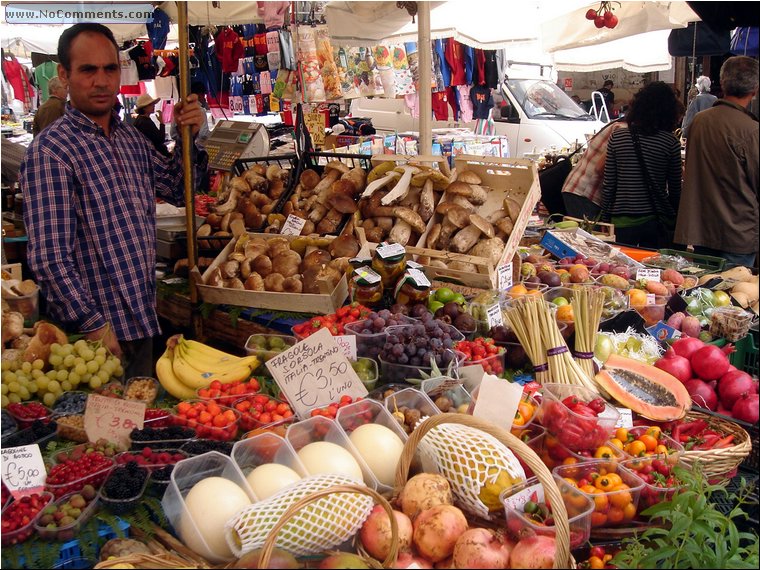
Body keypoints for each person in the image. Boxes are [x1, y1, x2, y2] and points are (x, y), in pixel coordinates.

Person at [19, 23, 207, 379]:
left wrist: (189, 138)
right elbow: (49, 259)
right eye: (88, 70)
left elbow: (177, 186)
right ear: (65, 74)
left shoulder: (130, 139)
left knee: (139, 424)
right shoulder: (52, 152)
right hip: (91, 337)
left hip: (140, 319)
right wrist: (93, 324)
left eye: (109, 68)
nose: (102, 81)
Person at [674, 56, 759, 267]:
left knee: (705, 293)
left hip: (701, 228)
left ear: (722, 84)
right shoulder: (751, 130)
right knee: (732, 296)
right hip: (738, 233)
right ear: (755, 90)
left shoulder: (700, 121)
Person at [600, 81, 682, 249]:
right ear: (669, 111)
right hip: (656, 220)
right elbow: (675, 190)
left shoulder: (618, 137)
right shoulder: (670, 142)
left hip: (622, 219)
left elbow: (609, 184)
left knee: (622, 271)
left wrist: (605, 217)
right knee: (653, 271)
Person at [561, 119, 627, 220]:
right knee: (588, 234)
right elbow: (600, 168)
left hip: (577, 188)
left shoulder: (617, 125)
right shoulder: (623, 131)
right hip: (585, 193)